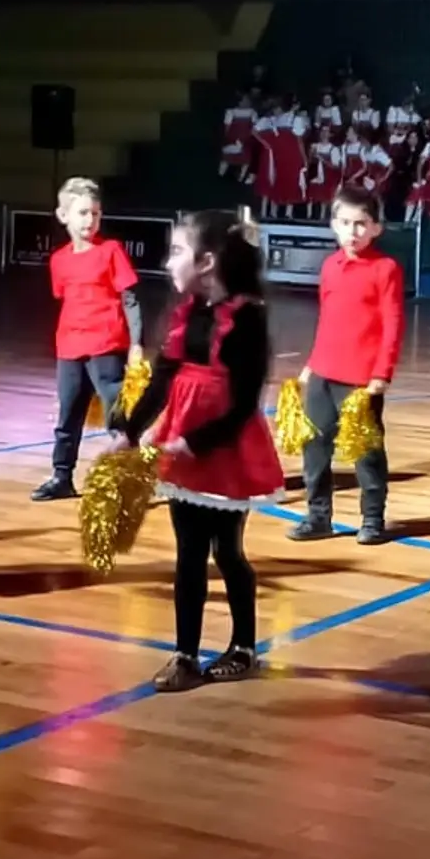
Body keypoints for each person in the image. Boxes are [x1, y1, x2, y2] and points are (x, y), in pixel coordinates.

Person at [110, 210, 284, 693]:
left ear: (207, 262)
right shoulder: (186, 310)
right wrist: (129, 427)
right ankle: (185, 655)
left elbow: (247, 404)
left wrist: (194, 441)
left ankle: (244, 648)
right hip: (182, 449)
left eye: (177, 252)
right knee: (188, 553)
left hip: (223, 449)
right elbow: (163, 376)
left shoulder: (248, 317)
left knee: (227, 551)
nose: (168, 263)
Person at [289, 186, 405, 545]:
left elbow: (393, 324)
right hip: (324, 372)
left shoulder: (386, 269)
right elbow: (327, 319)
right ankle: (318, 516)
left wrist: (381, 374)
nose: (352, 232)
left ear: (376, 228)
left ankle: (372, 519)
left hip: (361, 380)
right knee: (315, 448)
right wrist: (312, 363)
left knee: (366, 452)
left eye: (360, 224)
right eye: (345, 223)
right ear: (333, 225)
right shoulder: (330, 267)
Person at [32, 177, 143, 502]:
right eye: (82, 213)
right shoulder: (59, 260)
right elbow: (64, 297)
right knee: (68, 415)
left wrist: (136, 342)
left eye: (95, 214)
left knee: (117, 416)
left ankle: (126, 479)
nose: (89, 220)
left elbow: (130, 299)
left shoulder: (111, 251)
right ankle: (61, 476)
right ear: (63, 215)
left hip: (107, 345)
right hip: (69, 347)